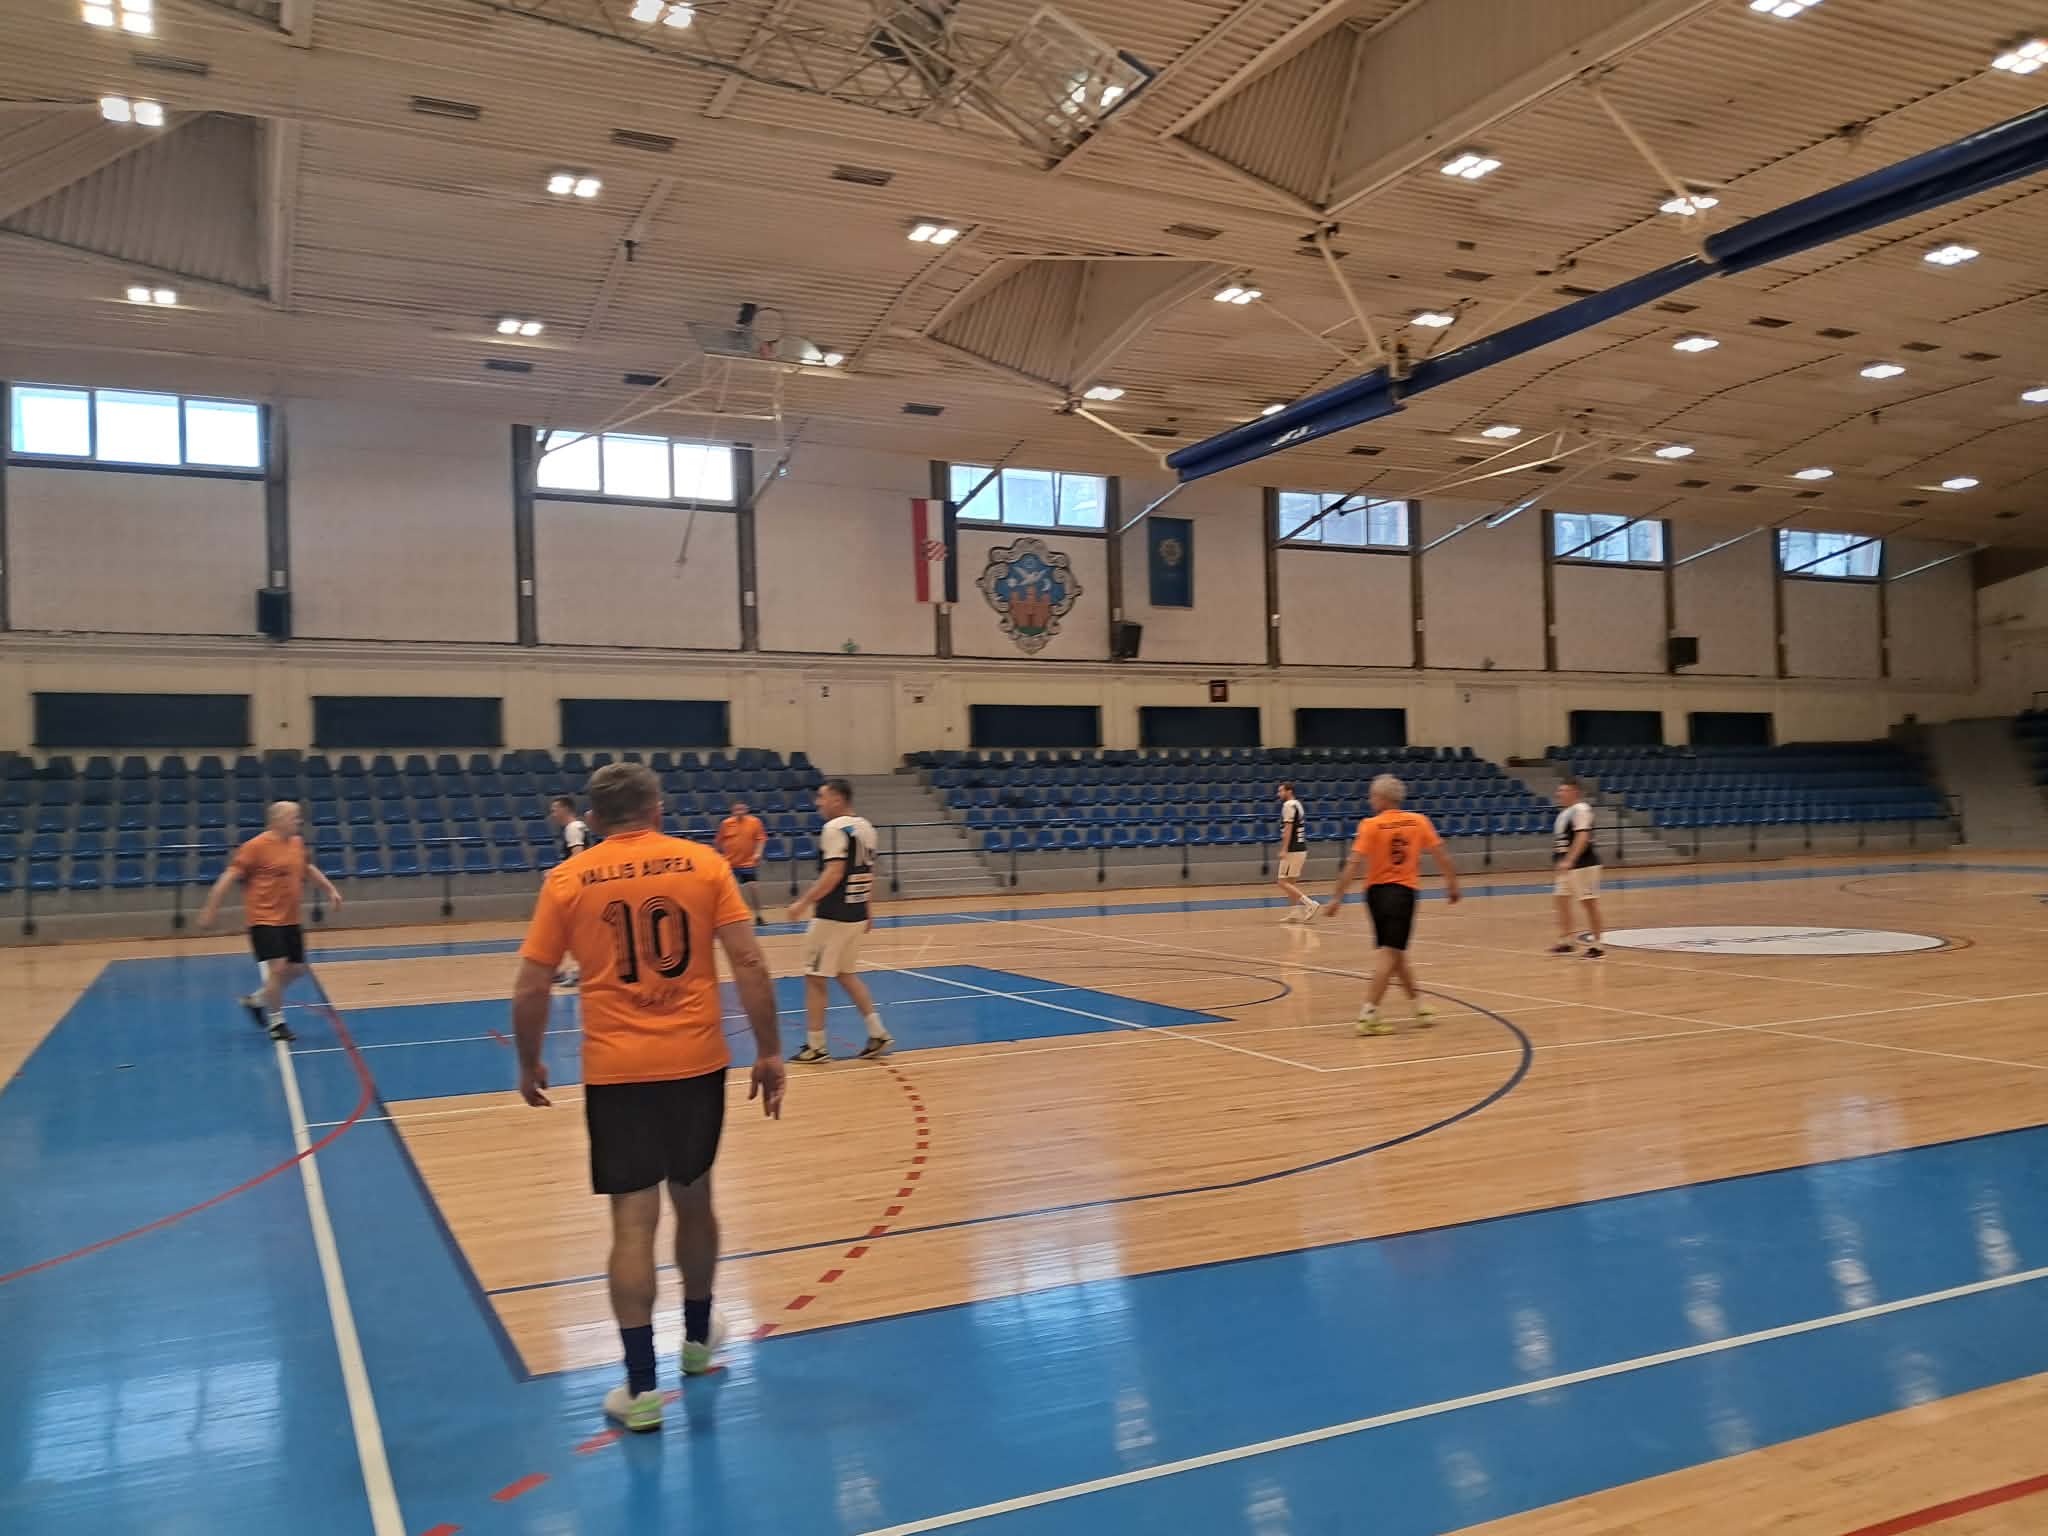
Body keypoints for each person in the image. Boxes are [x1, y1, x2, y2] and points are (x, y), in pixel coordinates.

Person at [511, 762, 785, 1434]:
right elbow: (750, 962)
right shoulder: (705, 864)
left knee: (632, 1225)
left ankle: (639, 1392)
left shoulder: (568, 879)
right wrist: (771, 1050)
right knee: (695, 1202)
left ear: (594, 819)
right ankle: (696, 1344)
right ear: (658, 810)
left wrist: (528, 1059)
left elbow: (532, 985)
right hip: (695, 1064)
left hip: (618, 1072)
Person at [1320, 773, 1461, 1035]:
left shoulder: (1370, 825)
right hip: (1402, 893)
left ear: (1383, 798)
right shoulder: (1418, 821)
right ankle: (1368, 1015)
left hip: (1375, 895)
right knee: (1390, 952)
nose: (1370, 800)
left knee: (1395, 952)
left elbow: (1352, 864)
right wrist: (1452, 883)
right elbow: (1441, 854)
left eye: (1372, 795)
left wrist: (1338, 897)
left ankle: (1418, 1006)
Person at [197, 800, 342, 1043]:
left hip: (290, 919)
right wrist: (210, 909)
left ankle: (257, 1000)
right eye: (294, 817)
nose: (299, 821)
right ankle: (277, 1023)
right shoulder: (255, 847)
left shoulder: (296, 843)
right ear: (277, 820)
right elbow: (228, 877)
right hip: (263, 918)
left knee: (297, 969)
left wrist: (330, 890)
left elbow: (307, 868)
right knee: (279, 968)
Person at [786, 778, 892, 1063]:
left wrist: (802, 903)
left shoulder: (833, 828)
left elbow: (834, 873)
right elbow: (868, 872)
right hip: (855, 914)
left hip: (832, 915)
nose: (818, 803)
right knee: (846, 973)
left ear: (837, 799)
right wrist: (867, 909)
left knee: (814, 977)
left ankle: (816, 1046)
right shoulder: (867, 827)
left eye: (822, 797)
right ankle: (878, 1032)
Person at [1551, 777, 1605, 959]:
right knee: (1561, 900)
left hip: (1583, 864)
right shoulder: (1563, 814)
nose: (1559, 794)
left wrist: (1570, 860)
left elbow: (1582, 837)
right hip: (1567, 866)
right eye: (1559, 790)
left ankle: (1597, 945)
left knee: (1589, 903)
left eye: (1563, 790)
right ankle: (1567, 941)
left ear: (1575, 792)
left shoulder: (1581, 809)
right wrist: (1560, 861)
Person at [546, 795, 591, 985]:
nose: (553, 814)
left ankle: (576, 970)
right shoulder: (578, 827)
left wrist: (556, 872)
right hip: (579, 884)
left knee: (570, 929)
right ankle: (564, 968)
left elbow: (577, 857)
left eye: (555, 809)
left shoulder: (573, 828)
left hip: (576, 887)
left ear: (565, 809)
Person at [717, 799, 768, 920]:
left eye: (742, 809)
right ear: (732, 811)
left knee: (753, 888)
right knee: (728, 892)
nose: (739, 812)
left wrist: (758, 853)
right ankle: (730, 917)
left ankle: (759, 915)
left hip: (748, 863)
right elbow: (719, 841)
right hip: (730, 863)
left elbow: (761, 839)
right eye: (737, 810)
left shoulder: (755, 822)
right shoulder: (725, 823)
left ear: (746, 810)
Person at [1274, 780, 1317, 923]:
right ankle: (1294, 912)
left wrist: (1284, 849)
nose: (1278, 794)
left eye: (1281, 791)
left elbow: (1288, 829)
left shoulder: (1288, 805)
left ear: (1289, 791)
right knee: (1291, 883)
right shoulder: (1298, 804)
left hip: (1292, 850)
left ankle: (1310, 903)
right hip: (1301, 848)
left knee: (1282, 881)